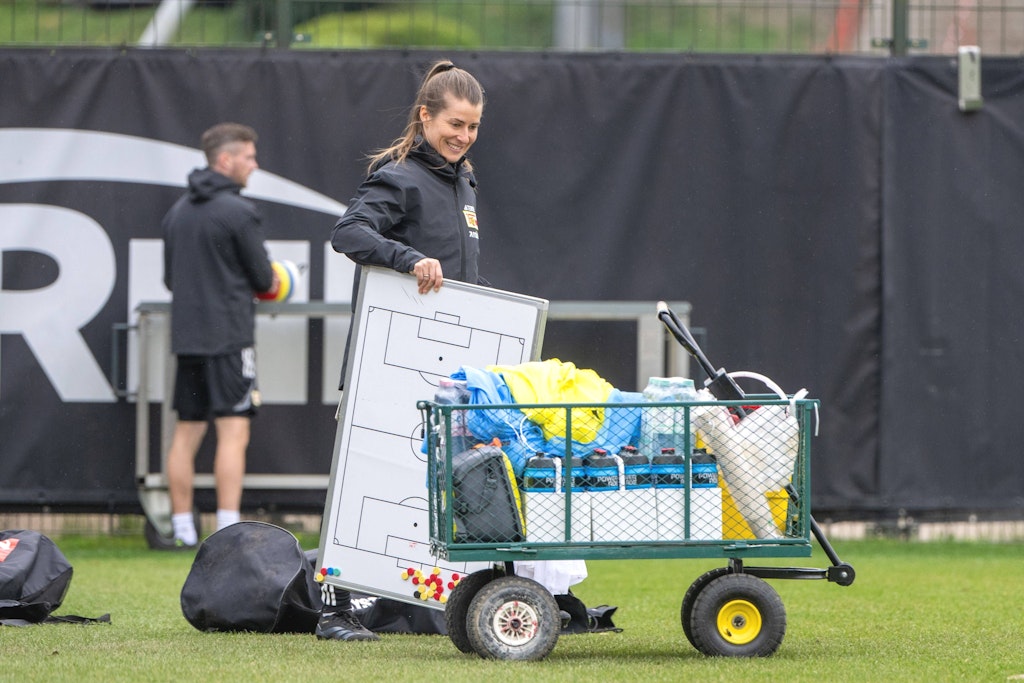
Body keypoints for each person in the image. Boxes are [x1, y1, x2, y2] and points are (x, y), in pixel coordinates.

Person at [320, 60, 487, 642]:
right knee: (365, 477)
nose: (463, 136)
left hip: (446, 366)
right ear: (425, 117)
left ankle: (410, 606)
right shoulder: (399, 176)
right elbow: (348, 233)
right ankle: (334, 611)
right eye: (453, 124)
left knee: (430, 485)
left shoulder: (464, 179)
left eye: (472, 127)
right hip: (385, 360)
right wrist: (407, 259)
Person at [161, 122, 276, 549]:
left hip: (188, 339)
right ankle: (227, 528)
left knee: (186, 434)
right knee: (232, 432)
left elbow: (169, 279)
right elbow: (264, 278)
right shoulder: (238, 211)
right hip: (229, 339)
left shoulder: (177, 212)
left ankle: (181, 528)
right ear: (225, 160)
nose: (254, 164)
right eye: (248, 157)